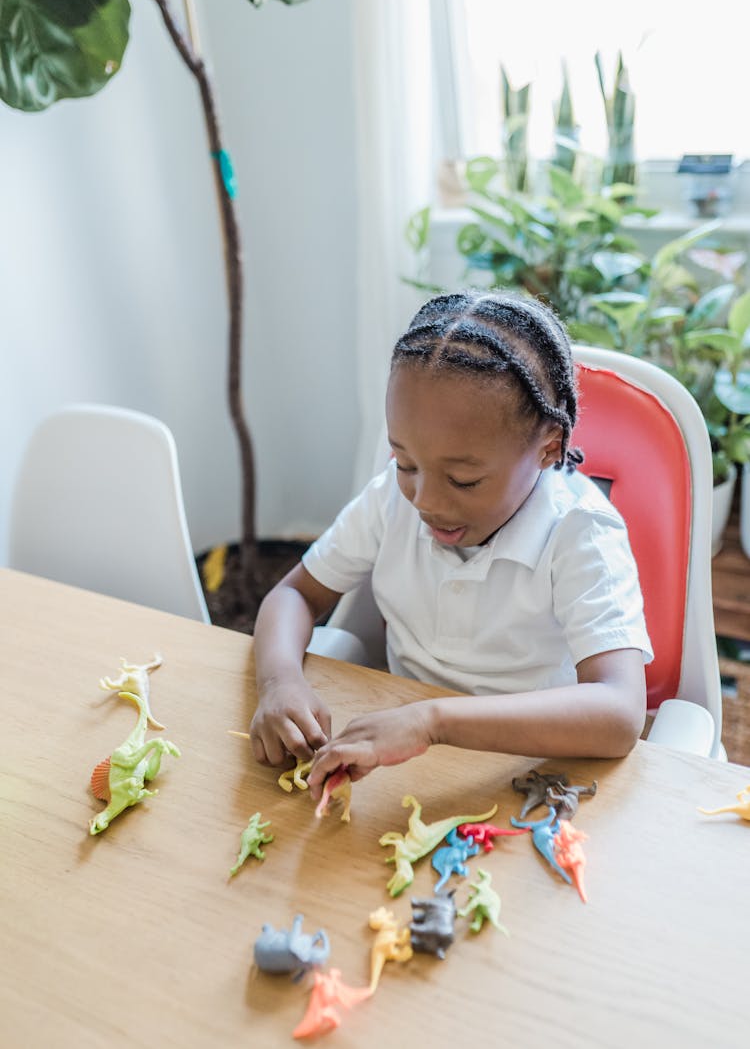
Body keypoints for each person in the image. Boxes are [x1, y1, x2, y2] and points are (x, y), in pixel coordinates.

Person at [250, 290, 652, 800]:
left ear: (549, 448)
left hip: (530, 775)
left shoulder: (580, 532)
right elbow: (295, 595)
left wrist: (431, 722)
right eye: (405, 463)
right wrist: (279, 681)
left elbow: (618, 713)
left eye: (463, 480)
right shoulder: (390, 502)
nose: (426, 499)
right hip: (405, 766)